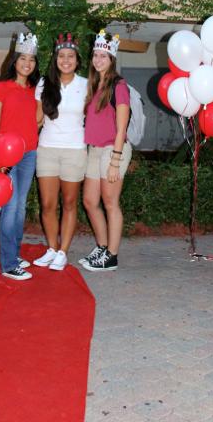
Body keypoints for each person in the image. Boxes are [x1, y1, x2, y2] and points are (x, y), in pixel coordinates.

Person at [33, 33, 88, 271]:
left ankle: (63, 251)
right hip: (47, 149)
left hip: (75, 150)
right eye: (62, 56)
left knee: (69, 202)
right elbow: (36, 119)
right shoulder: (44, 84)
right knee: (47, 204)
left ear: (77, 60)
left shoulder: (86, 85)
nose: (66, 60)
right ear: (55, 59)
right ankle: (52, 248)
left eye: (71, 56)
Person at [79, 30, 132, 272]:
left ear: (112, 59)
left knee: (110, 202)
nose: (99, 60)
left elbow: (122, 127)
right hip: (94, 150)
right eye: (96, 55)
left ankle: (112, 255)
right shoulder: (93, 85)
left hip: (113, 149)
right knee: (90, 201)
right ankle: (102, 247)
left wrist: (115, 160)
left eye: (104, 56)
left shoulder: (118, 85)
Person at [0, 33, 40, 281]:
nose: (27, 63)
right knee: (9, 209)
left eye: (31, 59)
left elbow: (38, 119)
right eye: (23, 58)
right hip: (6, 156)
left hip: (29, 153)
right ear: (14, 60)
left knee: (20, 208)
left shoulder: (34, 90)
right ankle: (8, 264)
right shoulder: (1, 87)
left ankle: (14, 254)